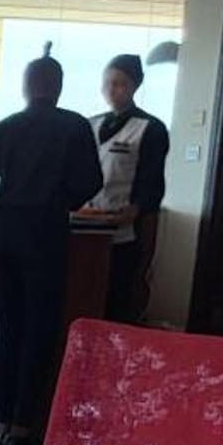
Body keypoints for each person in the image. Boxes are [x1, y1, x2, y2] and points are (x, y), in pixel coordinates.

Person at [0, 53, 104, 445]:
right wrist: (62, 199)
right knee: (40, 328)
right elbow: (92, 180)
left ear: (25, 87)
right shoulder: (74, 126)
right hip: (45, 230)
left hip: (3, 232)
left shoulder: (4, 128)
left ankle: (4, 422)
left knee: (9, 328)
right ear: (58, 87)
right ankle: (24, 426)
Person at [81, 51, 169, 324]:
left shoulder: (150, 128)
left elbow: (152, 182)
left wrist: (137, 209)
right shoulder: (90, 124)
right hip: (85, 222)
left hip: (124, 229)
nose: (112, 89)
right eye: (107, 83)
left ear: (134, 86)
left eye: (120, 83)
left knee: (118, 297)